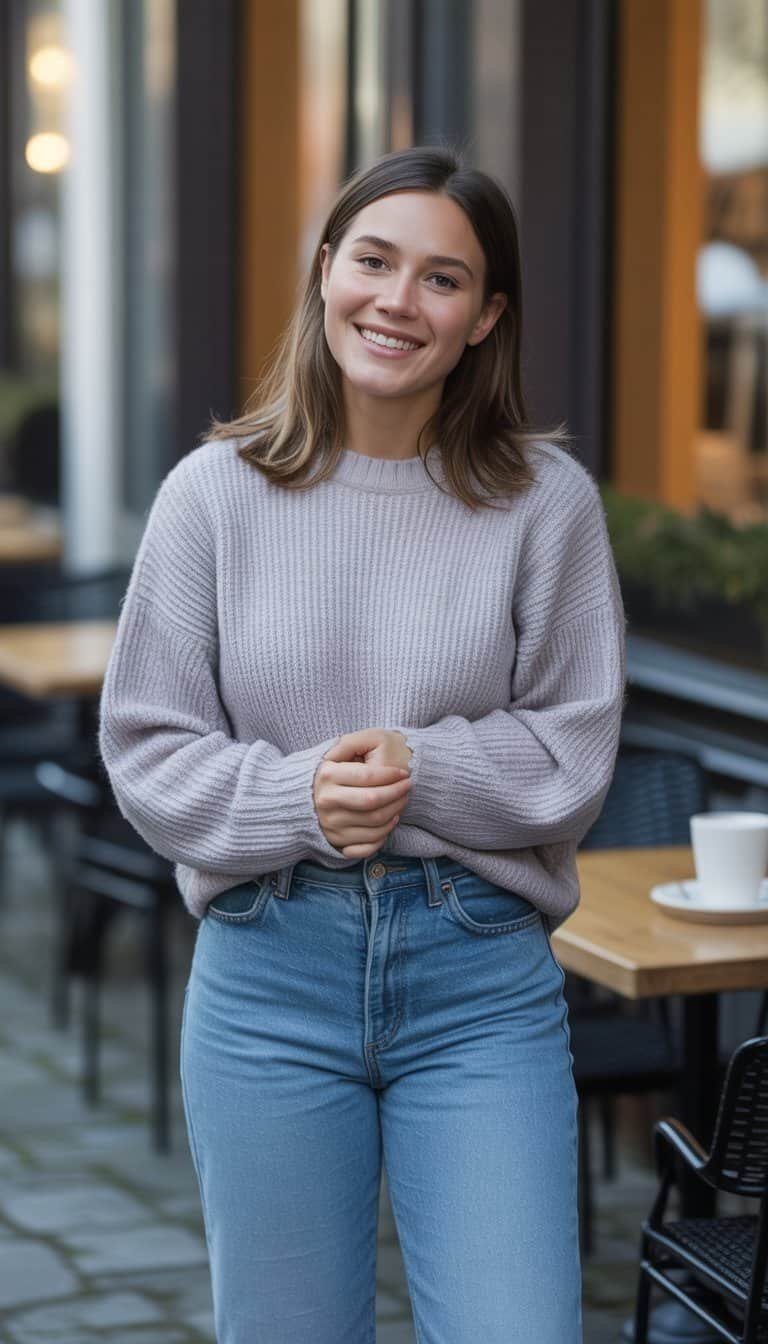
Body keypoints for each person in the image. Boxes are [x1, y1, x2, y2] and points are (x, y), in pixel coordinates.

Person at [99, 145, 625, 1344]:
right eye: (374, 261)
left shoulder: (547, 504)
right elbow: (146, 748)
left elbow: (573, 750)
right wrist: (300, 799)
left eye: (444, 280)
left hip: (480, 982)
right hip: (267, 977)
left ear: (487, 317)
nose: (398, 301)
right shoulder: (212, 495)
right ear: (325, 270)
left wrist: (416, 768)